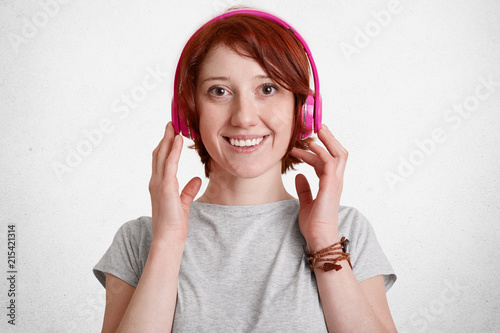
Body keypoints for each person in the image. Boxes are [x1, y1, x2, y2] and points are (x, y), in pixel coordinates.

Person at [93, 9, 397, 332]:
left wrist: (323, 240)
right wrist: (167, 242)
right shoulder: (139, 240)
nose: (244, 118)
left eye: (267, 89)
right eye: (219, 91)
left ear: (303, 110)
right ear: (189, 112)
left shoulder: (346, 231)